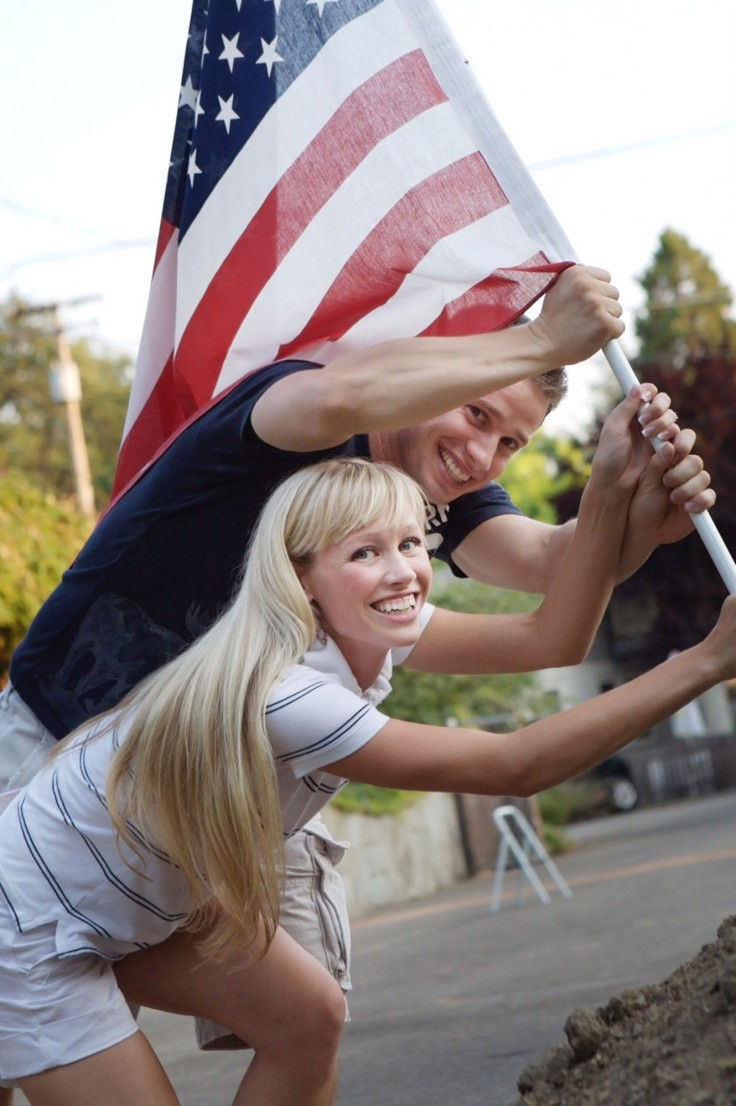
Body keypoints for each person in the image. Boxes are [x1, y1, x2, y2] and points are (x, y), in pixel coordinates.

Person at [0, 263, 712, 1059]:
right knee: (36, 1004)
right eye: (478, 411)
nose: (482, 455)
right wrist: (543, 340)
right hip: (61, 743)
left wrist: (637, 514)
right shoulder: (301, 408)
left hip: (219, 786)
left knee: (302, 1023)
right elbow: (343, 398)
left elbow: (554, 580)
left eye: (511, 441)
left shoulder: (413, 502)